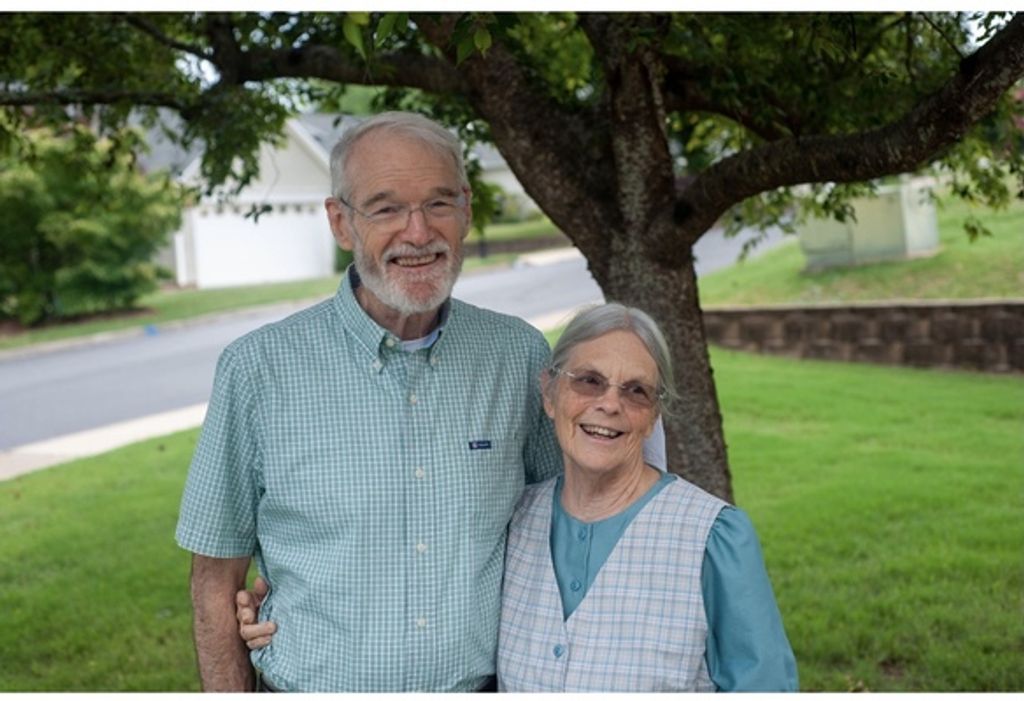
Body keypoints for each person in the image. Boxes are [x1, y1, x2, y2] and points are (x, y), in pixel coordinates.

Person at [175, 111, 663, 692]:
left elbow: (573, 527)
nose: (417, 232)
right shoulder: (258, 369)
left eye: (438, 203)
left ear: (466, 210)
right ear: (341, 222)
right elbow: (214, 577)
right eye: (385, 208)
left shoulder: (518, 357)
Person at [239, 303, 800, 692]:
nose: (609, 404)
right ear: (549, 394)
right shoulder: (516, 518)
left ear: (654, 414)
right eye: (588, 381)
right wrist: (283, 610)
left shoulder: (713, 537)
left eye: (636, 391)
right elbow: (429, 590)